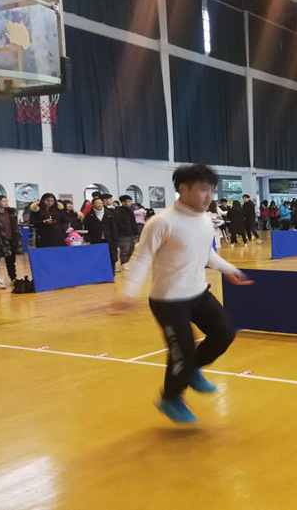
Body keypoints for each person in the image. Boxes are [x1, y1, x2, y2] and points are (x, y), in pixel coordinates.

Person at [114, 164, 253, 424]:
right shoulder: (161, 222)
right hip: (168, 301)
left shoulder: (205, 220)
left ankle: (190, 370)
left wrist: (229, 270)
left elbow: (206, 253)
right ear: (183, 189)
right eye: (203, 189)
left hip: (199, 293)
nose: (209, 196)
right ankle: (170, 398)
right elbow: (142, 258)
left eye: (212, 190)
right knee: (183, 351)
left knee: (224, 333)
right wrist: (129, 293)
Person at [83, 197, 119, 273]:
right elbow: (87, 227)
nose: (99, 205)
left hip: (109, 238)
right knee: (98, 255)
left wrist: (116, 238)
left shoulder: (109, 213)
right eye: (97, 203)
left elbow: (114, 227)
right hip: (96, 239)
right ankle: (99, 272)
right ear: (93, 204)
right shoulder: (89, 215)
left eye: (101, 203)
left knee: (111, 255)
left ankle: (111, 272)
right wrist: (88, 238)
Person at [0, 195, 21, 289]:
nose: (6, 202)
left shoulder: (10, 213)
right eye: (3, 201)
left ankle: (13, 279)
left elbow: (14, 227)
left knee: (11, 261)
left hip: (10, 240)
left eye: (6, 200)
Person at [114, 195, 139, 270]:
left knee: (131, 249)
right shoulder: (118, 211)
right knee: (125, 249)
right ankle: (123, 263)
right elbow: (118, 222)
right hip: (123, 234)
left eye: (131, 201)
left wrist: (136, 232)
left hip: (131, 233)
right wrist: (122, 230)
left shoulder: (130, 211)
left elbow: (133, 222)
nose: (130, 203)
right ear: (123, 202)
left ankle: (127, 261)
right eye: (128, 201)